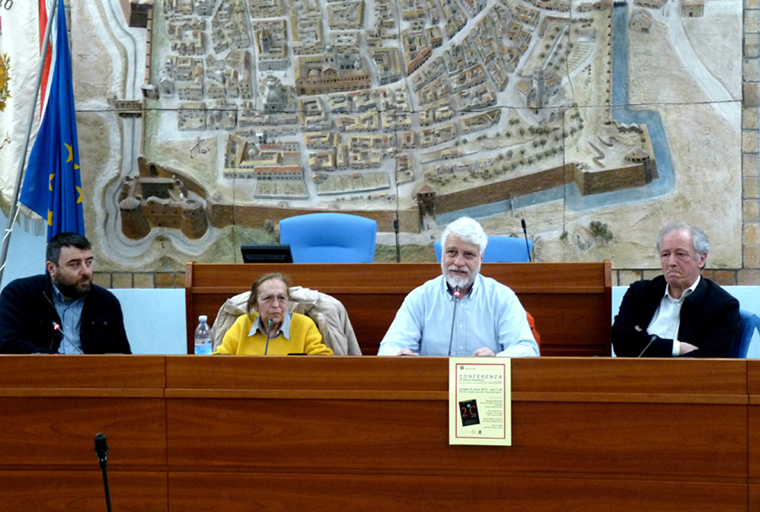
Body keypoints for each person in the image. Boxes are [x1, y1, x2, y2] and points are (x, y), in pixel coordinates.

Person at [378, 217, 539, 357]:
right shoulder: (420, 298)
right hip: (433, 389)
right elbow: (388, 349)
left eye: (468, 254)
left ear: (481, 258)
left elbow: (528, 350)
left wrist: (496, 361)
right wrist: (402, 356)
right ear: (442, 255)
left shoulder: (502, 297)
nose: (459, 262)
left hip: (485, 389)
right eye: (452, 252)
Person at [612, 222, 740, 358]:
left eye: (680, 254)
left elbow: (709, 362)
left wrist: (641, 340)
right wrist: (677, 347)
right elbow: (620, 342)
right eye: (665, 255)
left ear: (701, 259)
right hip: (633, 376)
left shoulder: (722, 305)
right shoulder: (639, 293)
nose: (671, 262)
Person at [0, 232, 131, 354]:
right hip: (36, 374)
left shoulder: (106, 301)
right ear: (52, 269)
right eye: (75, 264)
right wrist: (58, 363)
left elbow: (121, 355)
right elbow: (8, 343)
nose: (85, 271)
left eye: (88, 263)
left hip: (91, 376)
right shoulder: (20, 294)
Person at [215, 272, 333, 355]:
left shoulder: (304, 324)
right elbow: (220, 358)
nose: (276, 304)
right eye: (268, 298)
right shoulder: (243, 323)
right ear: (255, 305)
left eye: (281, 298)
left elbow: (323, 360)